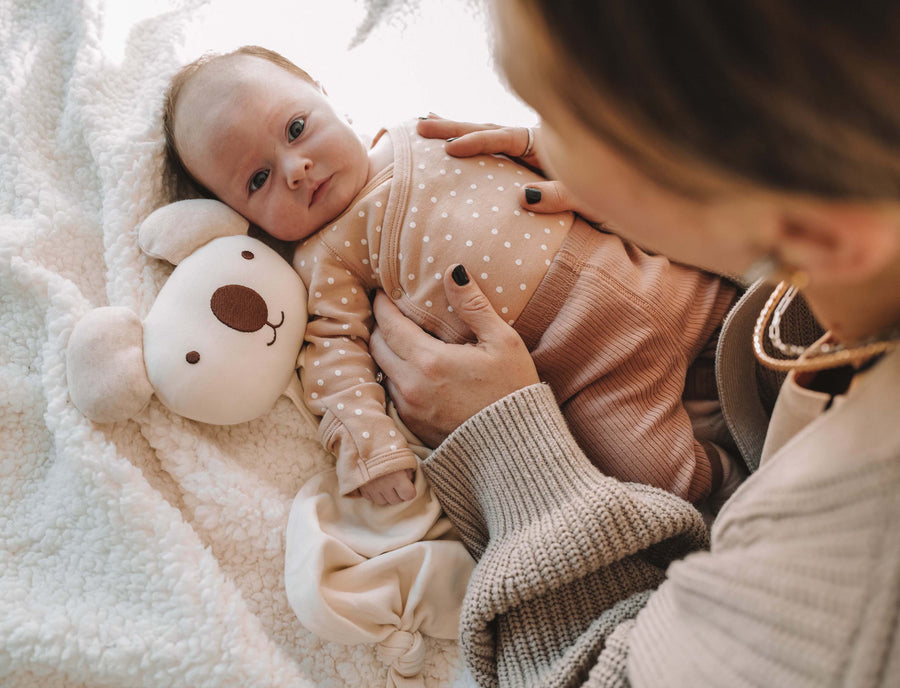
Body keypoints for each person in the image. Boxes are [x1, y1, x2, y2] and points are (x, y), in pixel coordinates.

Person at [367, 0, 900, 685]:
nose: (539, 145)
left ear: (820, 229)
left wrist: (510, 455)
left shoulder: (851, 587)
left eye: (562, 122)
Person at [162, 46, 741, 507]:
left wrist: (568, 150)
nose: (295, 169)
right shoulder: (323, 258)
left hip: (648, 271)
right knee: (654, 473)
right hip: (589, 373)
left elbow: (532, 149)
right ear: (241, 216)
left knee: (747, 300)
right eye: (257, 180)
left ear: (324, 91)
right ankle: (726, 471)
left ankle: (741, 382)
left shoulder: (424, 131)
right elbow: (333, 361)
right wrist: (371, 448)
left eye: (295, 129)